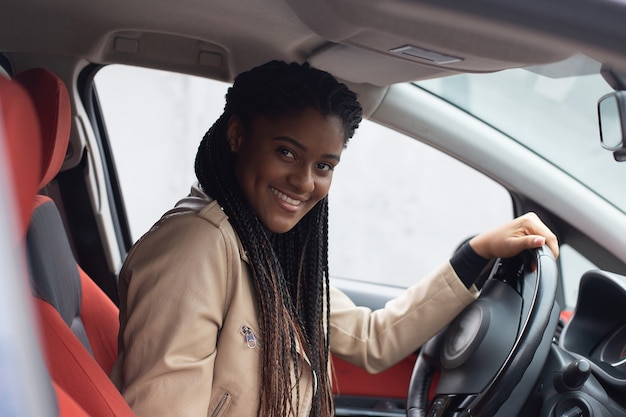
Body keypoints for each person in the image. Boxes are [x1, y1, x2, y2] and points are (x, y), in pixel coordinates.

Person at [110, 60, 559, 417]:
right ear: (237, 136)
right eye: (286, 152)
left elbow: (370, 338)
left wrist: (475, 255)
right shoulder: (196, 248)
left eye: (324, 166)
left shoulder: (268, 244)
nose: (305, 182)